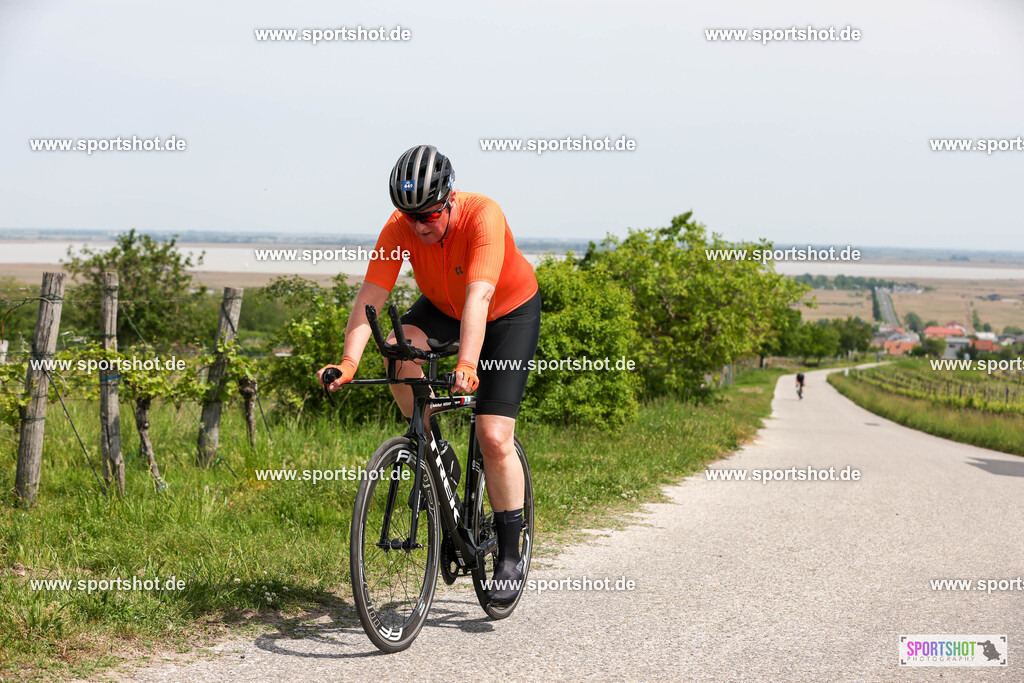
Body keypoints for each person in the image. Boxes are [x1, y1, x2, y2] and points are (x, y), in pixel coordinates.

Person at [317, 145, 541, 606]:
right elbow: (370, 297)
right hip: (442, 309)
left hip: (506, 313)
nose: (420, 226)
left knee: (494, 436)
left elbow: (478, 301)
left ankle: (510, 550)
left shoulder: (483, 216)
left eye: (430, 215)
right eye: (411, 216)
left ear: (450, 198)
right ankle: (431, 444)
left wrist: (467, 365)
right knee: (397, 349)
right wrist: (349, 362)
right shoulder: (401, 227)